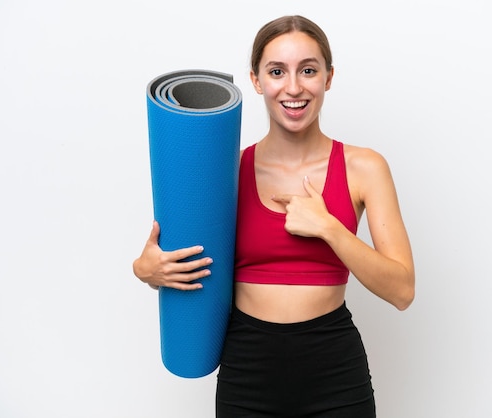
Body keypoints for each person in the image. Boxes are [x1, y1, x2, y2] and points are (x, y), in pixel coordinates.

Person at [133, 15, 415, 418]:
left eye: (309, 70)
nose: (294, 87)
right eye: (277, 71)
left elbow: (402, 290)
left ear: (329, 78)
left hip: (334, 370)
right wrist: (147, 270)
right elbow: (185, 260)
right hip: (246, 368)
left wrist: (328, 228)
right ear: (256, 80)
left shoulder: (364, 167)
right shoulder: (226, 171)